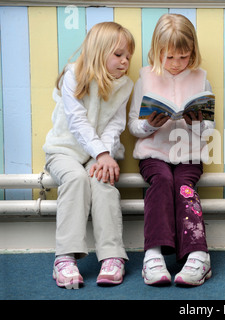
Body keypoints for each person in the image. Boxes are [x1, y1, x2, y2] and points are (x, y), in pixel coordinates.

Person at [43, 22, 135, 288]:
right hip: (64, 150)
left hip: (100, 153)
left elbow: (116, 124)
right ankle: (64, 257)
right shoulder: (74, 75)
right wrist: (102, 153)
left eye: (127, 56)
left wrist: (103, 157)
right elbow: (77, 122)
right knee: (76, 179)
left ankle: (112, 256)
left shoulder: (125, 85)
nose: (125, 61)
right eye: (118, 55)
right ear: (98, 51)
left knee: (102, 182)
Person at [128, 14, 215, 286]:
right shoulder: (145, 77)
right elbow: (133, 125)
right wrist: (148, 126)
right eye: (169, 57)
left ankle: (197, 254)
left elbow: (209, 131)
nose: (177, 64)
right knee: (163, 181)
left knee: (183, 187)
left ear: (193, 53)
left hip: (189, 155)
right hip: (153, 152)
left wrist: (197, 123)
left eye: (184, 57)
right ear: (157, 52)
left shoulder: (201, 79)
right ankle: (153, 255)